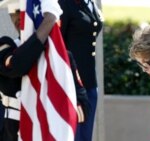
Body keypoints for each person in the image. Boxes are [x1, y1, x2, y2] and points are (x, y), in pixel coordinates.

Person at [0, 0, 89, 140]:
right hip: (12, 131)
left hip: (48, 133)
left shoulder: (62, 58)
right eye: (13, 13)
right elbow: (18, 65)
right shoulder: (6, 46)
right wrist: (49, 21)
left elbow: (82, 105)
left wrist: (55, 113)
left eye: (22, 12)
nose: (18, 18)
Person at [58, 0, 103, 140]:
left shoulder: (90, 3)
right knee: (75, 135)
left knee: (85, 134)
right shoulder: (65, 4)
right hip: (72, 83)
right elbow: (58, 46)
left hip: (89, 81)